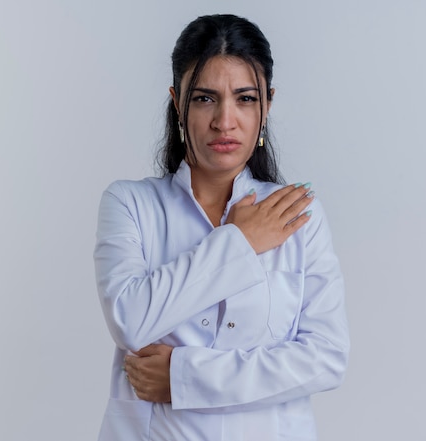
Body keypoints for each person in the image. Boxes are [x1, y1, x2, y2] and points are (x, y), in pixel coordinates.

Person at [94, 14, 349, 440]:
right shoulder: (129, 203)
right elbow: (131, 321)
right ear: (178, 102)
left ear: (268, 103)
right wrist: (241, 241)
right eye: (205, 99)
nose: (225, 121)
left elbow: (325, 359)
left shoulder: (298, 213)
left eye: (245, 98)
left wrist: (183, 377)